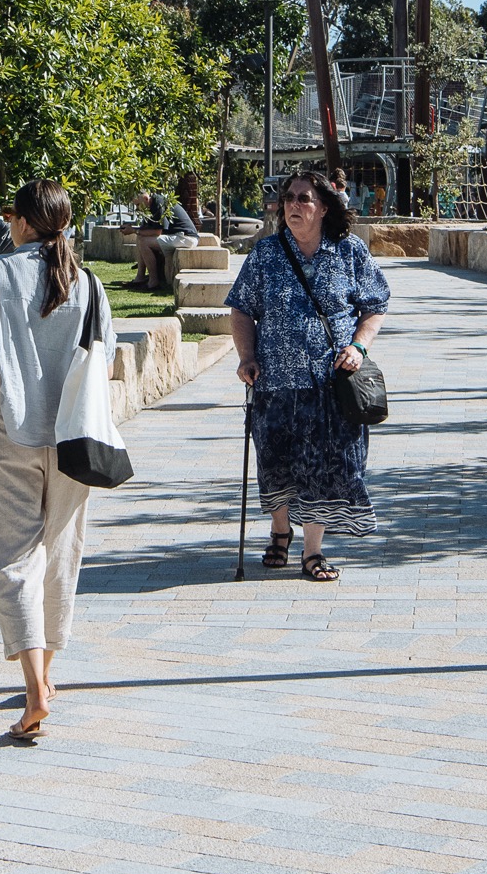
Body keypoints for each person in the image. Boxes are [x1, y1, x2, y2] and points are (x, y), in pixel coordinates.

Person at [0, 178, 98, 743]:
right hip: (73, 432)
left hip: (8, 423)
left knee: (12, 553)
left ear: (24, 222)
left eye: (12, 216)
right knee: (60, 547)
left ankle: (34, 686)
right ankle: (49, 676)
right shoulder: (85, 281)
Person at [227, 170, 389, 584]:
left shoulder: (349, 251)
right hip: (276, 382)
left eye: (303, 199)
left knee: (325, 467)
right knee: (277, 463)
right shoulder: (266, 254)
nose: (294, 205)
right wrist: (246, 355)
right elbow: (242, 308)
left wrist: (358, 346)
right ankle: (281, 529)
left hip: (329, 384)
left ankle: (312, 552)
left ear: (324, 208)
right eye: (289, 199)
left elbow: (374, 306)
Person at [131, 179, 199, 291]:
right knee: (140, 238)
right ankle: (140, 277)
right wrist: (134, 229)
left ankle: (153, 282)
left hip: (185, 238)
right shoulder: (150, 207)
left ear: (145, 198)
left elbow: (158, 232)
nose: (137, 208)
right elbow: (146, 230)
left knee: (144, 242)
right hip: (178, 236)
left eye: (138, 204)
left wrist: (134, 230)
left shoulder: (159, 203)